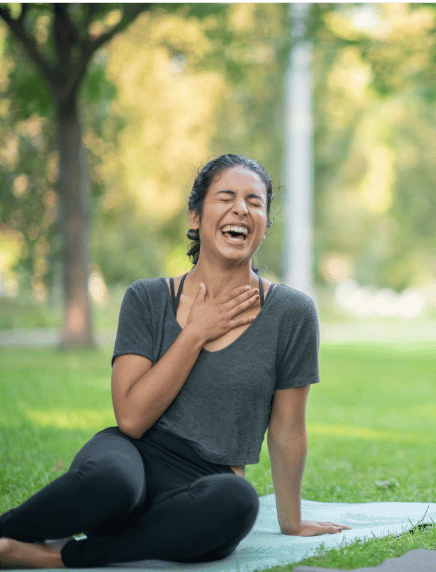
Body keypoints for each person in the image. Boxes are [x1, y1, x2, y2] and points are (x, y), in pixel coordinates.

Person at [0, 154, 348, 569]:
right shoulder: (147, 298)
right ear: (196, 216)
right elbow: (131, 418)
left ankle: (55, 557)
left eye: (255, 202)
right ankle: (12, 532)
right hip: (131, 454)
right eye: (226, 197)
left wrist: (291, 524)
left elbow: (288, 426)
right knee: (111, 482)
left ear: (265, 225)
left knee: (238, 501)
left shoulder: (292, 313)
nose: (241, 208)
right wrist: (197, 332)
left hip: (205, 486)